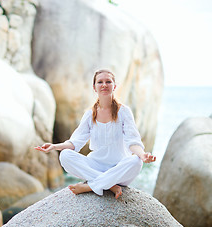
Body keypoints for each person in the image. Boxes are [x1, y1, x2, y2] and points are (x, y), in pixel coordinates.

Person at [35, 69, 156, 199]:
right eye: (100, 82)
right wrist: (54, 146)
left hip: (119, 169)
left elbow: (133, 142)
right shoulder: (89, 115)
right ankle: (109, 185)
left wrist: (143, 155)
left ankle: (90, 186)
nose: (104, 85)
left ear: (114, 86)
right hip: (95, 167)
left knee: (136, 162)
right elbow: (74, 142)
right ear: (94, 87)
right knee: (64, 155)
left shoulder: (124, 112)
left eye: (108, 81)